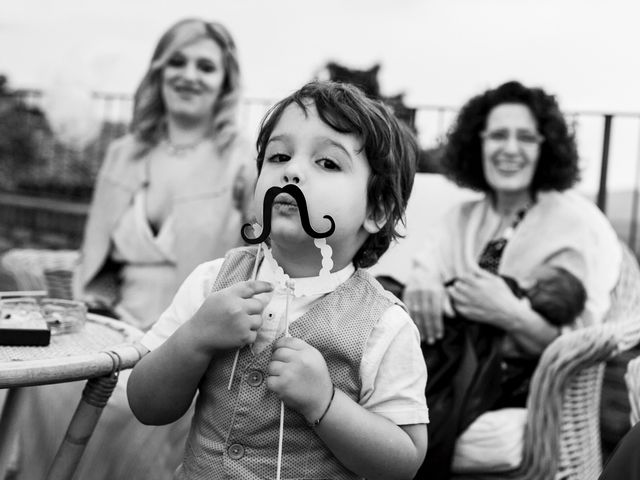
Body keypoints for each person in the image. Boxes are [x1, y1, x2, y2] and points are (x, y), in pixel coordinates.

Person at [127, 80, 429, 480]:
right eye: (279, 155)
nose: (291, 170)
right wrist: (195, 338)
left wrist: (325, 402)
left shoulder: (385, 327)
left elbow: (404, 461)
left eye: (327, 163)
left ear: (377, 210)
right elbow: (146, 405)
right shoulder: (212, 283)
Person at [16, 18, 254, 480]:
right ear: (159, 72)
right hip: (112, 326)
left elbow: (257, 254)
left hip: (185, 340)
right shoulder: (124, 152)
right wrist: (88, 301)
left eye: (206, 66)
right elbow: (96, 256)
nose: (189, 75)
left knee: (126, 404)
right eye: (177, 62)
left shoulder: (241, 160)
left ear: (225, 83)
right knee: (38, 382)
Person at [403, 80, 622, 479]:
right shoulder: (463, 217)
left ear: (545, 148)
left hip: (512, 383)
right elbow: (425, 267)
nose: (510, 148)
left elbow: (580, 343)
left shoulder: (575, 223)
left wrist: (510, 314)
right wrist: (424, 283)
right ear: (477, 143)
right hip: (441, 358)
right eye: (498, 135)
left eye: (526, 137)